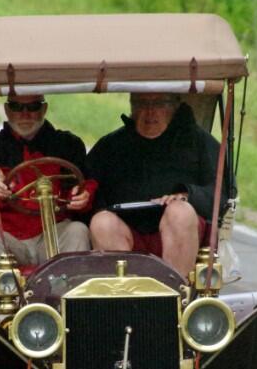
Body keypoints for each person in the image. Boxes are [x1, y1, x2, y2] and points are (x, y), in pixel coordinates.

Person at [0, 94, 97, 307]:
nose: (25, 114)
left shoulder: (68, 146)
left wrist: (83, 196)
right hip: (9, 240)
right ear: (7, 110)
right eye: (17, 107)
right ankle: (3, 318)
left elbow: (86, 184)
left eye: (32, 107)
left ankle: (71, 310)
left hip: (52, 231)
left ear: (43, 109)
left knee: (78, 230)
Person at [87, 92, 225, 277]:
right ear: (132, 107)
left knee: (179, 212)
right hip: (126, 232)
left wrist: (186, 196)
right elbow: (89, 189)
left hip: (180, 232)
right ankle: (125, 298)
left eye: (159, 103)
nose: (150, 112)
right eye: (142, 103)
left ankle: (174, 294)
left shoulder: (199, 141)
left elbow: (222, 193)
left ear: (175, 106)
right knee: (102, 222)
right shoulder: (111, 145)